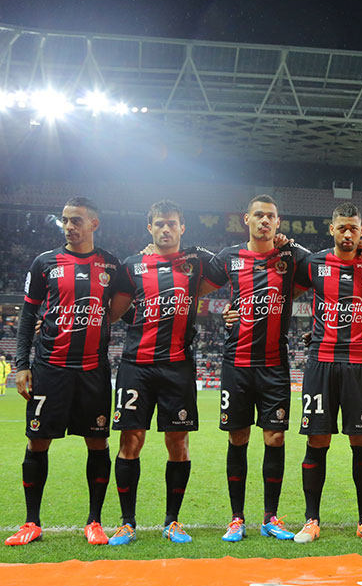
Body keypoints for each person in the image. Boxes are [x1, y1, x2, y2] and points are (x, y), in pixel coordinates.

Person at [105, 200, 225, 545]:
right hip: (136, 366)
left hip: (177, 367)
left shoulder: (194, 264)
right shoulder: (132, 266)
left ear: (182, 228)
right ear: (150, 228)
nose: (166, 229)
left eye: (172, 223)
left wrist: (197, 250)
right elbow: (113, 313)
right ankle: (127, 522)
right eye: (160, 224)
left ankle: (172, 521)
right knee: (131, 440)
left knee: (178, 443)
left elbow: (228, 267)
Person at [6, 198, 122, 546]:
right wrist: (22, 365)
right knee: (37, 440)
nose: (69, 226)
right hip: (50, 368)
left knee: (97, 442)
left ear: (94, 224)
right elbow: (28, 315)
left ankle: (95, 522)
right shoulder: (45, 263)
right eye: (65, 220)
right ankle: (31, 522)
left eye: (77, 221)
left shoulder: (111, 265)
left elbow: (123, 306)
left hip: (93, 370)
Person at [208, 194, 310, 542]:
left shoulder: (289, 259)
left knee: (275, 437)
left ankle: (270, 516)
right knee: (238, 437)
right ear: (246, 219)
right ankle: (237, 518)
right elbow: (193, 281)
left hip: (274, 364)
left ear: (278, 223)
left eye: (270, 216)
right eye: (258, 215)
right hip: (236, 362)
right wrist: (224, 311)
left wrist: (291, 245)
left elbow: (320, 265)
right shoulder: (229, 258)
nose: (264, 221)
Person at [291, 203, 362, 543]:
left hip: (358, 363)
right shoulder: (313, 264)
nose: (348, 234)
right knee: (317, 439)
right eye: (342, 227)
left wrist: (357, 328)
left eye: (354, 228)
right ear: (331, 228)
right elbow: (284, 288)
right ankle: (311, 520)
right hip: (320, 363)